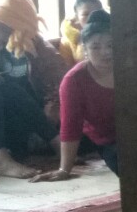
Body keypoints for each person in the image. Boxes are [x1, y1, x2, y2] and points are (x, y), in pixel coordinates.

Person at [30, 10, 119, 180]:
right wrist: (65, 170)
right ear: (84, 49)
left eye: (111, 45)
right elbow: (71, 126)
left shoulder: (134, 68)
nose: (106, 52)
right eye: (96, 46)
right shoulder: (74, 81)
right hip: (107, 141)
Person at [0, 0, 65, 179]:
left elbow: (57, 95)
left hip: (20, 125)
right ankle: (54, 142)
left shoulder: (42, 53)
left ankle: (57, 142)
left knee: (4, 87)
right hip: (2, 129)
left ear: (9, 26)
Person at [59, 0, 103, 64]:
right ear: (77, 17)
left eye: (97, 13)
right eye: (86, 14)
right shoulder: (68, 40)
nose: (92, 17)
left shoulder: (111, 33)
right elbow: (65, 68)